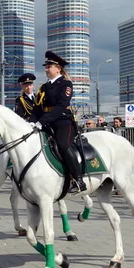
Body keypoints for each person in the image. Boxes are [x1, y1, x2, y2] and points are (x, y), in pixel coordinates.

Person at [30, 51, 85, 194]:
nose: (46, 69)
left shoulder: (65, 84)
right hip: (47, 123)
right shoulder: (43, 87)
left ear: (58, 68)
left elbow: (61, 106)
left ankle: (78, 180)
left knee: (63, 145)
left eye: (49, 66)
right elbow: (36, 108)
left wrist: (42, 121)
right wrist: (32, 122)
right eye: (46, 66)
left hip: (63, 122)